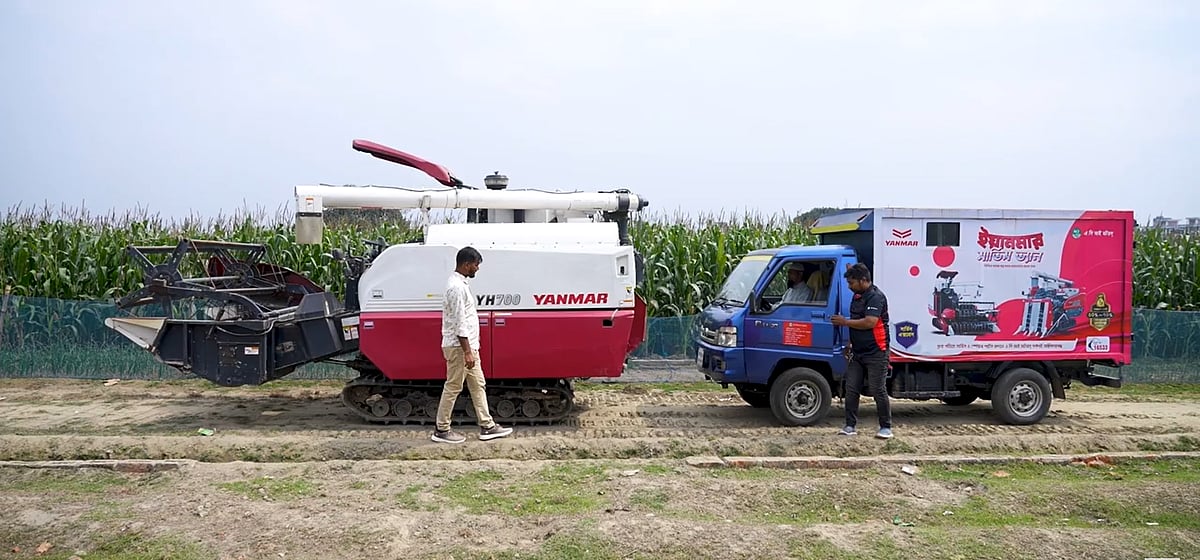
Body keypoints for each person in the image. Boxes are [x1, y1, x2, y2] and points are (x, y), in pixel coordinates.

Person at [431, 246, 513, 444]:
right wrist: (467, 352)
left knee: (478, 384)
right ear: (466, 264)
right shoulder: (456, 288)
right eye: (476, 265)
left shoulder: (460, 284)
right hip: (460, 348)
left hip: (468, 348)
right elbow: (460, 323)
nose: (477, 268)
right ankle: (442, 429)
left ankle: (487, 426)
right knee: (453, 386)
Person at [831, 263, 893, 439]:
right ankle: (850, 426)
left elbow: (869, 322)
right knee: (851, 388)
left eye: (852, 283)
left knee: (877, 389)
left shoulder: (876, 297)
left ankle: (886, 427)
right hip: (857, 352)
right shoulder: (857, 296)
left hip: (877, 352)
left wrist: (844, 322)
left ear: (863, 280)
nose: (849, 287)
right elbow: (857, 322)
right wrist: (850, 344)